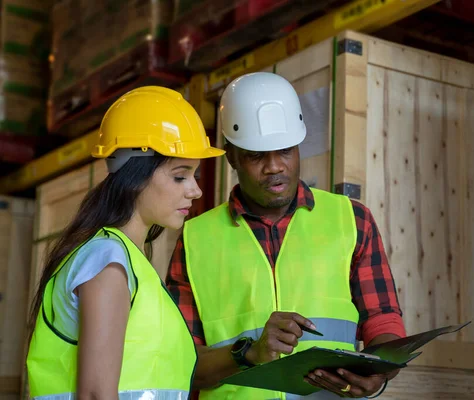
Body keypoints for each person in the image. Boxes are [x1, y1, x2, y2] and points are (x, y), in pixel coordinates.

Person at [166, 72, 406, 399]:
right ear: (232, 155)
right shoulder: (195, 240)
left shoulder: (353, 220)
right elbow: (183, 364)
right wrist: (246, 352)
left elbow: (384, 322)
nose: (274, 167)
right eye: (256, 155)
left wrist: (379, 372)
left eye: (285, 151)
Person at [26, 86, 225, 400]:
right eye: (180, 176)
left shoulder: (126, 262)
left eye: (194, 175)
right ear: (136, 175)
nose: (195, 191)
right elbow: (95, 394)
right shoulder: (107, 261)